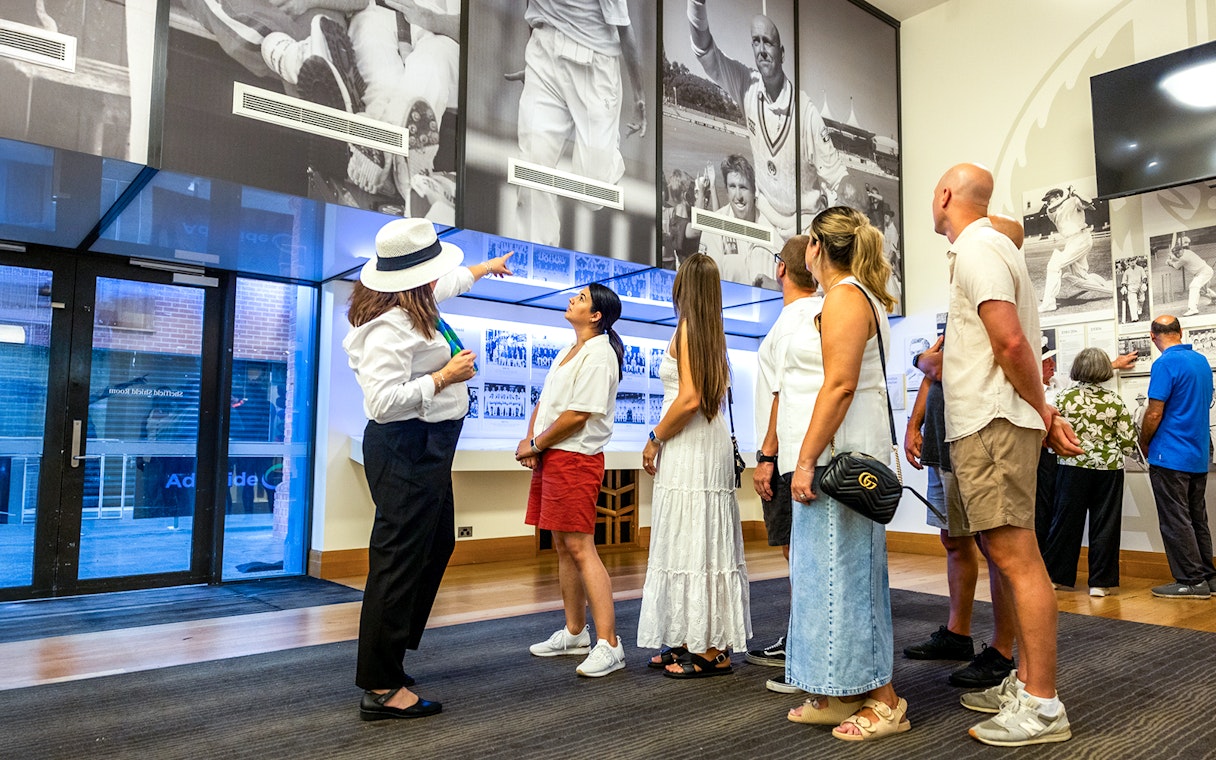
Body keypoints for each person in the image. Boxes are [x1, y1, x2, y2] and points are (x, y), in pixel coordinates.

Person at [933, 163, 1080, 746]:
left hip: (994, 420)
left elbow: (1012, 341)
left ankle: (1042, 705)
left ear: (945, 195)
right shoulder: (985, 246)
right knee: (1006, 554)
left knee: (1018, 558)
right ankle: (1026, 681)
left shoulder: (978, 248)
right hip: (989, 419)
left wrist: (1042, 411)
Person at [343, 218, 513, 720]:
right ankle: (380, 683)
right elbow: (383, 402)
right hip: (408, 447)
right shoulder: (390, 326)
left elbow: (451, 282)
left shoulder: (413, 302)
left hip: (429, 447)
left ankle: (391, 654)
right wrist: (445, 375)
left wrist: (484, 268)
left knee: (436, 542)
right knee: (397, 561)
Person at [783, 207, 908, 742]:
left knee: (850, 582)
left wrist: (805, 460)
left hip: (842, 466)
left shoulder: (845, 297)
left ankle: (885, 701)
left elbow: (839, 386)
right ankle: (846, 691)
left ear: (815, 247)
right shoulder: (853, 296)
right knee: (829, 580)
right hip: (843, 461)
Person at [901, 214, 1026, 683]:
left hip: (975, 433)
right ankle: (958, 633)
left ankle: (1002, 649)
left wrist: (923, 360)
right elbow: (933, 371)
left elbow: (934, 362)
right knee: (954, 539)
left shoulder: (996, 295)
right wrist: (914, 423)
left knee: (996, 546)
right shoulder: (963, 302)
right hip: (944, 436)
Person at [637, 253, 751, 679]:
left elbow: (687, 399)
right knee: (701, 536)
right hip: (707, 440)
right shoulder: (710, 331)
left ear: (683, 285)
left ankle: (708, 649)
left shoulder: (686, 329)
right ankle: (695, 637)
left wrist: (654, 438)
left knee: (690, 533)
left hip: (688, 441)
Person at [520, 284, 627, 677]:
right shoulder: (571, 351)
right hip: (555, 455)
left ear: (596, 315)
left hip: (577, 458)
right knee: (564, 545)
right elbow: (547, 402)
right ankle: (575, 631)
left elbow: (579, 415)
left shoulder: (600, 355)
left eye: (581, 298)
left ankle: (610, 644)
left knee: (581, 547)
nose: (572, 300)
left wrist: (535, 443)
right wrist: (531, 440)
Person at [686, 0, 851, 240]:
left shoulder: (806, 112)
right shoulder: (747, 85)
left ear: (782, 53)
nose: (761, 49)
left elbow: (838, 177)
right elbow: (705, 53)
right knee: (710, 238)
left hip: (802, 229)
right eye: (756, 41)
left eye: (768, 42)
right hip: (763, 223)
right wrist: (696, 4)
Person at [746, 235, 820, 693]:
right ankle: (799, 640)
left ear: (780, 269)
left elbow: (781, 395)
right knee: (805, 561)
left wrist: (767, 456)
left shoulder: (790, 324)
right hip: (799, 455)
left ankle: (806, 652)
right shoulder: (817, 315)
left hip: (788, 457)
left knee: (802, 561)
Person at [512, 0, 647, 247]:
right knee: (532, 164)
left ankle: (608, 159)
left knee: (592, 195)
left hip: (594, 61)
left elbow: (625, 28)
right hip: (544, 51)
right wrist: (534, 63)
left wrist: (639, 97)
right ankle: (537, 255)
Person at [1043, 348, 1137, 597]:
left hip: (1072, 464)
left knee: (1064, 522)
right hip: (1109, 468)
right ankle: (1101, 583)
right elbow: (1128, 441)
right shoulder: (1114, 400)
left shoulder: (1063, 398)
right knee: (1105, 523)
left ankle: (1056, 576)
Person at [1139, 315, 1216, 598]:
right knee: (1197, 517)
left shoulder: (1164, 364)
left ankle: (1191, 581)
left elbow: (1155, 411)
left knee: (1175, 519)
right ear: (1180, 332)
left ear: (1152, 336)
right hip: (1197, 452)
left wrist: (1144, 441)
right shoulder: (1201, 362)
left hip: (1170, 453)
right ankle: (1208, 577)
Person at [695, 154, 780, 288]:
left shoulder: (773, 225)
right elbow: (704, 285)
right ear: (727, 191)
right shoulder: (713, 228)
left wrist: (779, 287)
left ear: (754, 191)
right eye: (732, 187)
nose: (738, 196)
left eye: (743, 187)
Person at [1038, 186, 1111, 312]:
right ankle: (1108, 286)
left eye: (1049, 199)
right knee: (1081, 277)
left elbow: (1088, 201)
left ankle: (1049, 302)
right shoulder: (1051, 211)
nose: (1047, 202)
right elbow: (1052, 207)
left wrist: (1076, 193)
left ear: (1057, 196)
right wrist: (1069, 195)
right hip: (1072, 241)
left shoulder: (1073, 201)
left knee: (1054, 265)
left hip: (1081, 238)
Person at [1166, 236, 1216, 316]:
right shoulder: (1186, 252)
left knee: (1193, 286)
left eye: (1178, 253)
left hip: (1204, 272)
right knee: (1202, 290)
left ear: (1181, 250)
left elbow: (1176, 266)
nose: (1177, 255)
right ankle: (1215, 298)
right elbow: (1179, 258)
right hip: (1203, 271)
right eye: (1176, 254)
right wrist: (1173, 258)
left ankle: (1193, 309)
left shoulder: (1184, 258)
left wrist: (1169, 262)